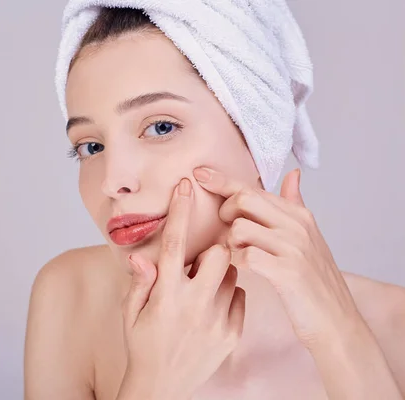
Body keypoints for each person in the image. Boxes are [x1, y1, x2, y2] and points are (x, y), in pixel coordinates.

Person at [24, 7, 405, 400]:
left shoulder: (394, 327)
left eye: (161, 127)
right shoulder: (71, 296)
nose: (111, 181)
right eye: (91, 147)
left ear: (259, 135)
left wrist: (339, 333)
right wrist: (152, 384)